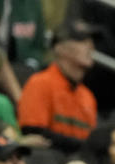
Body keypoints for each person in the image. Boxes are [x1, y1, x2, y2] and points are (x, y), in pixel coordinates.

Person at [17, 20, 97, 154]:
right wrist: (84, 147)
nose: (91, 47)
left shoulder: (88, 96)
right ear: (60, 48)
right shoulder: (40, 83)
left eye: (91, 42)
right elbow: (33, 132)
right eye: (82, 41)